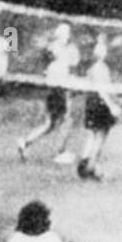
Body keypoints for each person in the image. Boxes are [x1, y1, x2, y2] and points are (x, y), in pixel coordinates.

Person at [18, 23, 79, 162]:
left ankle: (25, 142)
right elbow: (65, 68)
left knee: (50, 124)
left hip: (56, 89)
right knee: (67, 120)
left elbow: (71, 66)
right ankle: (60, 153)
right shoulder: (57, 50)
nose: (67, 36)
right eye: (65, 33)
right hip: (59, 90)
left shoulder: (59, 49)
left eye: (68, 33)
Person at [77, 35, 122, 180]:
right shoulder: (100, 69)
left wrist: (117, 99)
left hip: (92, 102)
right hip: (99, 103)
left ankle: (85, 168)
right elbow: (102, 90)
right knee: (100, 136)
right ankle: (91, 168)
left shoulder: (97, 68)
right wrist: (112, 106)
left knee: (93, 135)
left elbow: (107, 87)